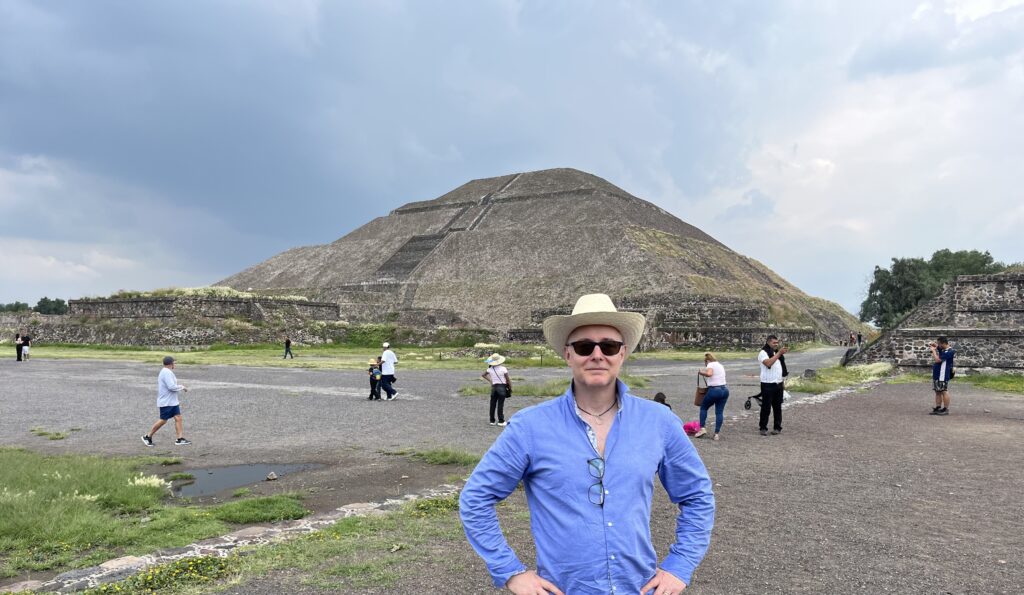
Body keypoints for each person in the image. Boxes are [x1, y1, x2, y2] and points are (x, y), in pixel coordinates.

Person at [460, 294, 714, 594]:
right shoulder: (530, 427)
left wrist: (679, 566)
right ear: (568, 355)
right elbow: (475, 498)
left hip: (639, 588)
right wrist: (510, 572)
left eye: (608, 346)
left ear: (623, 353)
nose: (597, 355)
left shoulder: (659, 422)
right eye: (584, 346)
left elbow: (697, 496)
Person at [142, 356, 191, 446]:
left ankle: (179, 439)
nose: (175, 364)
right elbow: (171, 387)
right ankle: (147, 436)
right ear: (171, 364)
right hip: (166, 401)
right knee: (163, 420)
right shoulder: (166, 372)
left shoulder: (167, 372)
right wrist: (182, 387)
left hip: (172, 401)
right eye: (174, 363)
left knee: (178, 418)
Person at [758, 335, 788, 436]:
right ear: (768, 342)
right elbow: (768, 363)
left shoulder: (776, 353)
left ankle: (777, 427)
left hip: (778, 383)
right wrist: (779, 353)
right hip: (767, 384)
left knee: (777, 407)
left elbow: (779, 367)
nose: (776, 344)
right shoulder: (763, 353)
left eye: (777, 343)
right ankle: (763, 427)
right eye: (774, 343)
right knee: (766, 407)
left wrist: (782, 382)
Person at [695, 352, 729, 440]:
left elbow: (709, 374)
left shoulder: (710, 364)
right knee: (719, 412)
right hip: (724, 390)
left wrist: (701, 372)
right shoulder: (720, 365)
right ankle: (716, 434)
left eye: (705, 362)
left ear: (707, 360)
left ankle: (702, 428)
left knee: (703, 407)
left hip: (714, 390)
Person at [482, 353, 512, 426]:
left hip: (494, 388)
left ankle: (492, 421)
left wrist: (491, 381)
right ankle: (501, 421)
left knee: (492, 404)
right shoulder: (503, 369)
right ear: (499, 360)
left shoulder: (489, 369)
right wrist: (510, 388)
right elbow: (507, 380)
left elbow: (483, 375)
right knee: (500, 404)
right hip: (501, 387)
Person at [929, 336, 955, 416]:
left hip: (943, 375)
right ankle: (938, 407)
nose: (938, 345)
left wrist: (933, 351)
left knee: (944, 391)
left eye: (939, 344)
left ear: (944, 344)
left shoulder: (950, 351)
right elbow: (938, 348)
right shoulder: (943, 349)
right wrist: (934, 345)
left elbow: (938, 360)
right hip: (937, 374)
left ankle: (945, 409)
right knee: (937, 391)